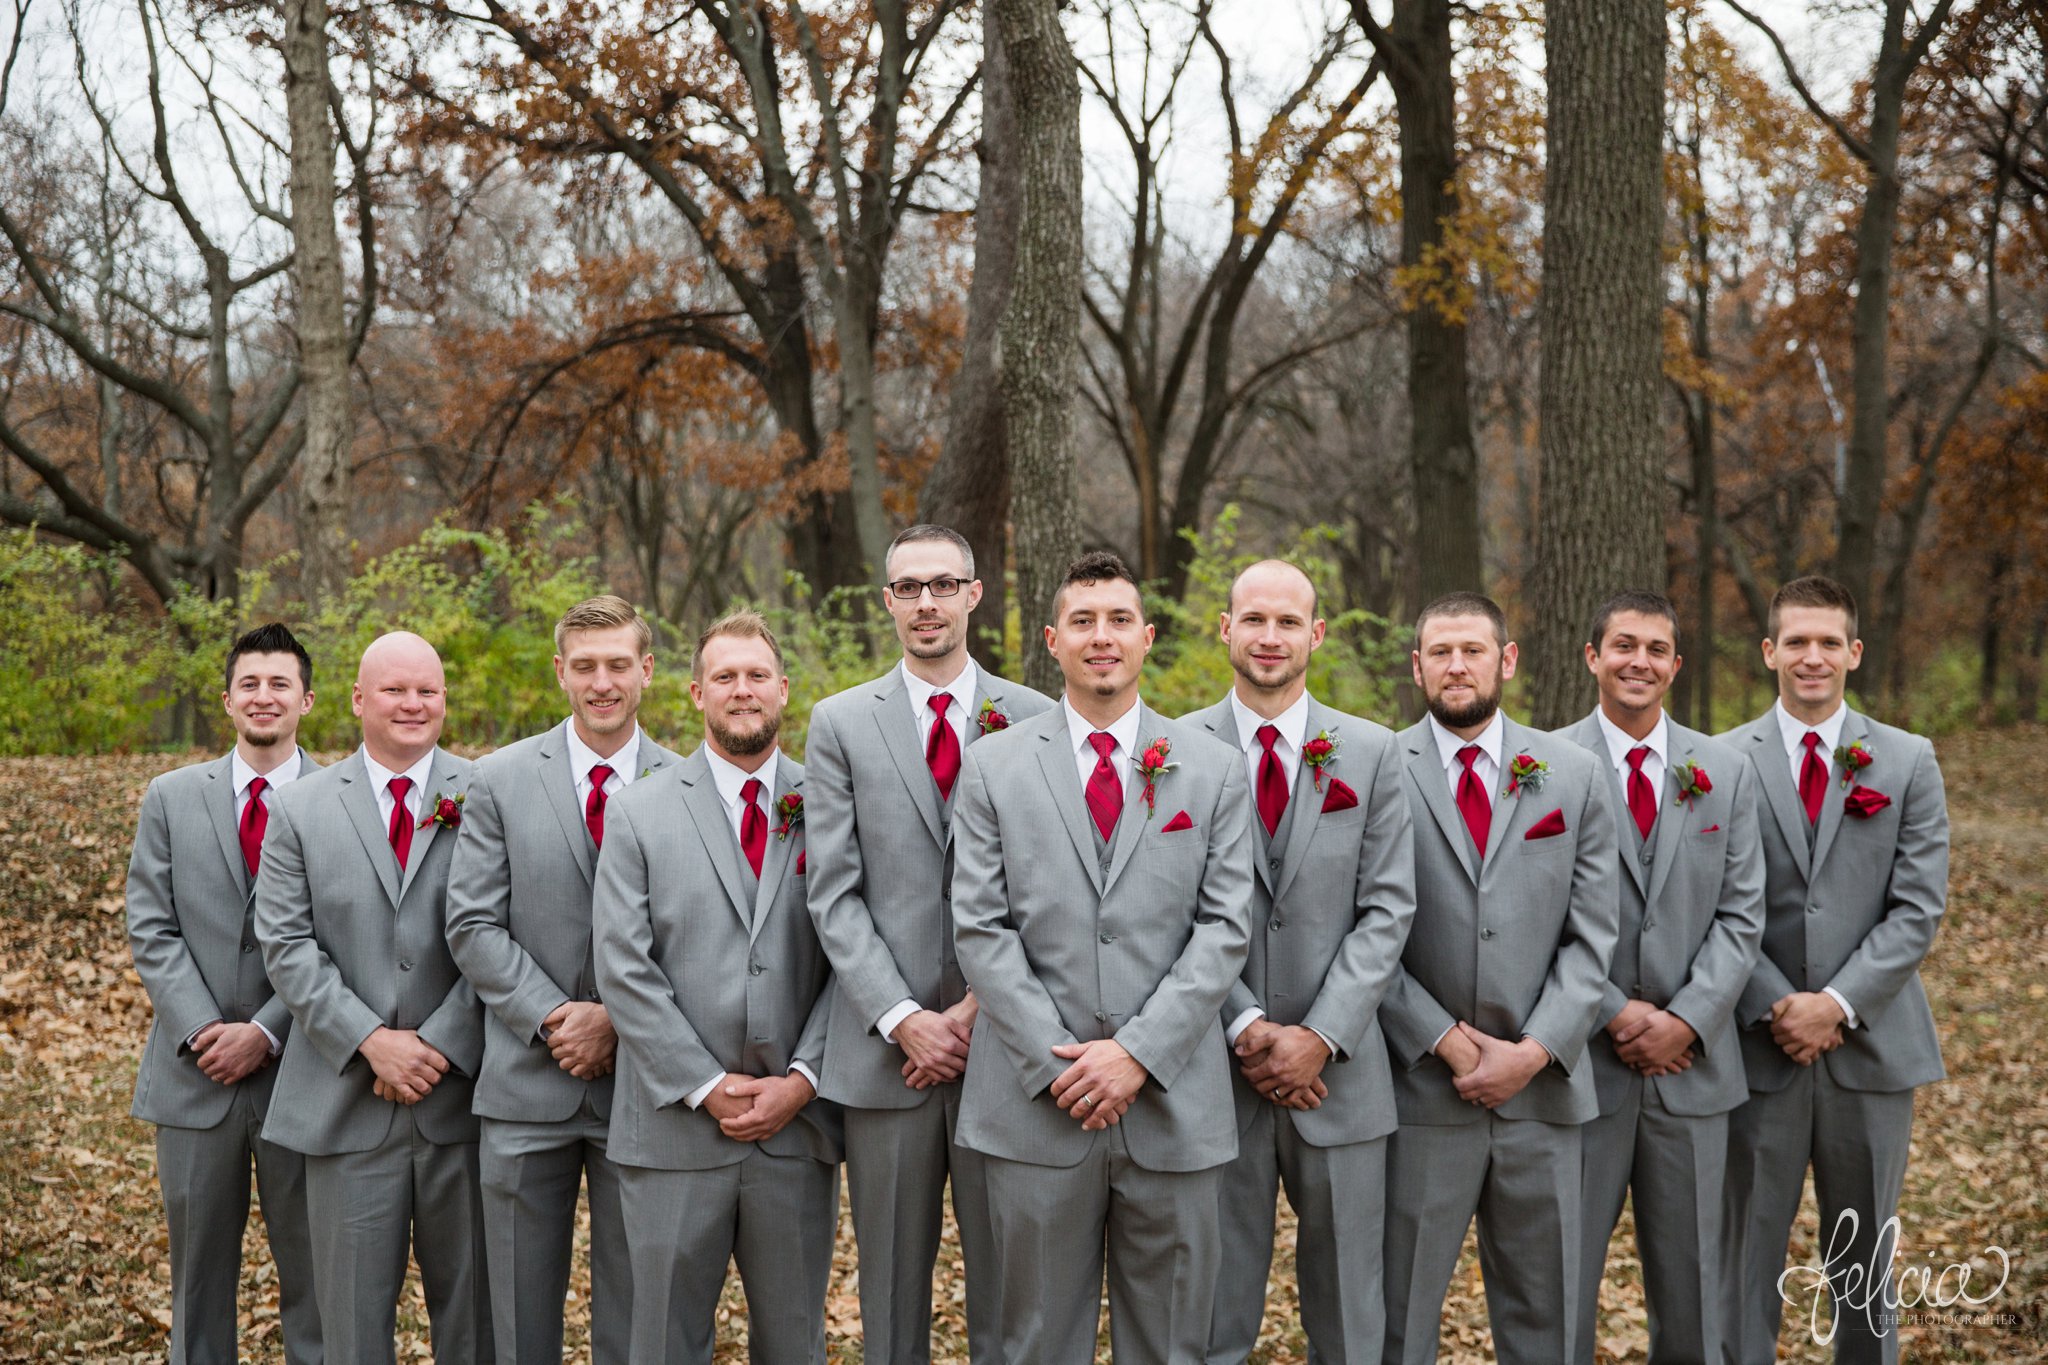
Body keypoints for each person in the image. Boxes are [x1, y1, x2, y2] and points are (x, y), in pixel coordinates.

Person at [951, 550, 1255, 1365]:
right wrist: (1063, 1066)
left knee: (1172, 1347)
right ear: (1052, 640)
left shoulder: (1217, 771)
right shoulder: (992, 766)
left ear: (1147, 637)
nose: (1101, 637)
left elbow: (1226, 928)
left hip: (1174, 1106)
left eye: (1119, 619)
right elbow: (979, 926)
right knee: (1033, 1345)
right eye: (1082, 621)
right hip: (1034, 1107)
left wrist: (1137, 1054)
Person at [806, 524, 1054, 1365]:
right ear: (887, 601)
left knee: (1013, 1288)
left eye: (943, 585)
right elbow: (832, 892)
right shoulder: (840, 723)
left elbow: (1047, 893)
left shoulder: (1034, 717)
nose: (927, 603)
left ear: (974, 594)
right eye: (909, 588)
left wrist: (982, 1008)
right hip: (888, 1059)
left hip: (1006, 1050)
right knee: (891, 1296)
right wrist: (906, 1017)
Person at [593, 612, 840, 1365]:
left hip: (795, 1132)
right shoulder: (638, 808)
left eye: (757, 675)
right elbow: (622, 965)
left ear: (785, 690)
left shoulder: (829, 802)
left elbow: (852, 955)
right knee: (663, 1343)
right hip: (672, 1129)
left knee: (795, 1344)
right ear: (697, 693)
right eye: (726, 677)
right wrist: (705, 1083)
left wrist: (802, 1079)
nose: (743, 690)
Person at [1379, 592, 1619, 1365]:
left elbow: (1594, 939)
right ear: (1417, 665)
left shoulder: (1575, 777)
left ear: (1505, 660)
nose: (1456, 665)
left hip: (1542, 1096)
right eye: (1440, 651)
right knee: (1397, 1320)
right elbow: (1364, 931)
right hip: (1418, 1097)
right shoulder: (1379, 768)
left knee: (1546, 1323)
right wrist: (1441, 1040)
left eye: (1472, 650)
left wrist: (1537, 1048)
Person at [1185, 560, 1415, 1365]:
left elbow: (1388, 910)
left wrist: (1321, 1032)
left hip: (1342, 1077)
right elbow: (1166, 915)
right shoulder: (1173, 749)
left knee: (1352, 1319)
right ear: (1225, 629)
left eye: (1288, 622)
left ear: (1316, 633)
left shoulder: (1374, 752)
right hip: (1213, 1075)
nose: (1270, 637)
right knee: (1212, 1312)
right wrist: (1245, 1023)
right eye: (1254, 619)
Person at [445, 595, 683, 1363]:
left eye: (619, 663)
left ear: (647, 670)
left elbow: (695, 936)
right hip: (524, 1085)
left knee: (640, 1312)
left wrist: (616, 1017)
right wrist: (555, 1017)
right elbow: (473, 925)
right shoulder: (500, 779)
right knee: (514, 1321)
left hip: (645, 1093)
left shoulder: (688, 783)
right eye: (585, 665)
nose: (603, 681)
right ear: (561, 673)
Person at [1719, 575, 1949, 1365]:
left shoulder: (1908, 759)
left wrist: (1838, 1004)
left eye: (1827, 642)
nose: (1810, 657)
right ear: (1769, 652)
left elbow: (1917, 907)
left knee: (1864, 1266)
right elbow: (1709, 904)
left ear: (1853, 651)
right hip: (1757, 1050)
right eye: (1795, 641)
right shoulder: (1719, 762)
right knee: (1743, 1258)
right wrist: (1779, 1003)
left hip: (1872, 1050)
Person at [255, 631, 490, 1364]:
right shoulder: (298, 809)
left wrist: (438, 1043)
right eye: (395, 689)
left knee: (477, 1324)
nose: (413, 703)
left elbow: (510, 933)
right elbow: (286, 946)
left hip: (465, 1106)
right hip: (342, 1105)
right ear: (359, 699)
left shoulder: (490, 795)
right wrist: (369, 1039)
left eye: (428, 689)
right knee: (348, 1332)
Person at [1562, 589, 1765, 1364]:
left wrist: (1686, 1018)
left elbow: (1742, 917)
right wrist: (1614, 1013)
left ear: (1676, 666)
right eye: (1622, 645)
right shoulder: (1543, 763)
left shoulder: (1725, 771)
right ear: (1592, 656)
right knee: (1561, 1287)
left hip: (1695, 1074)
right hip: (1581, 1070)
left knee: (1695, 1293)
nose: (1637, 661)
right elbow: (1535, 915)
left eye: (1654, 649)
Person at [126, 622, 324, 1365]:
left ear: (307, 698)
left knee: (314, 1272)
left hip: (303, 1070)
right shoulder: (172, 796)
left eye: (280, 683)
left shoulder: (340, 796)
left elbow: (339, 935)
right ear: (227, 698)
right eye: (250, 683)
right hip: (193, 1070)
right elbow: (150, 923)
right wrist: (206, 1028)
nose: (264, 696)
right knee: (198, 1277)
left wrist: (266, 1030)